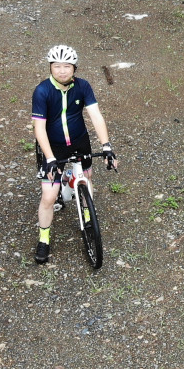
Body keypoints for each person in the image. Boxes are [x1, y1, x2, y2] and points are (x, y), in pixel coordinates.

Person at [31, 44, 118, 264]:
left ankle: (87, 214)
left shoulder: (83, 87)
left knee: (86, 181)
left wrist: (106, 145)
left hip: (80, 142)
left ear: (74, 67)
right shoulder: (42, 91)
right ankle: (43, 239)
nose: (62, 70)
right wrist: (49, 158)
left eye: (67, 66)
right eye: (57, 66)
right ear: (50, 67)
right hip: (54, 147)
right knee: (49, 197)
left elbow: (96, 116)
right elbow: (39, 128)